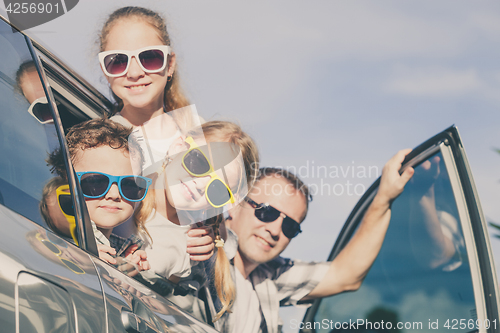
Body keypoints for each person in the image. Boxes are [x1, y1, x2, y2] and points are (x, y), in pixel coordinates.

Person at [224, 150, 414, 333]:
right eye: (267, 212)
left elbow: (345, 275)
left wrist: (383, 197)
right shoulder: (200, 254)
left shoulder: (270, 276)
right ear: (234, 204)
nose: (274, 231)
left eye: (290, 226)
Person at [135, 120, 260, 321]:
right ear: (178, 147)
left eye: (218, 188)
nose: (201, 184)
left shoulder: (193, 246)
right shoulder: (126, 183)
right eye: (199, 162)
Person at [48, 118, 151, 271]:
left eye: (128, 184)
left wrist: (121, 267)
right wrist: (77, 256)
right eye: (96, 182)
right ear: (66, 184)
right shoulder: (57, 236)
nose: (114, 194)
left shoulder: (125, 248)